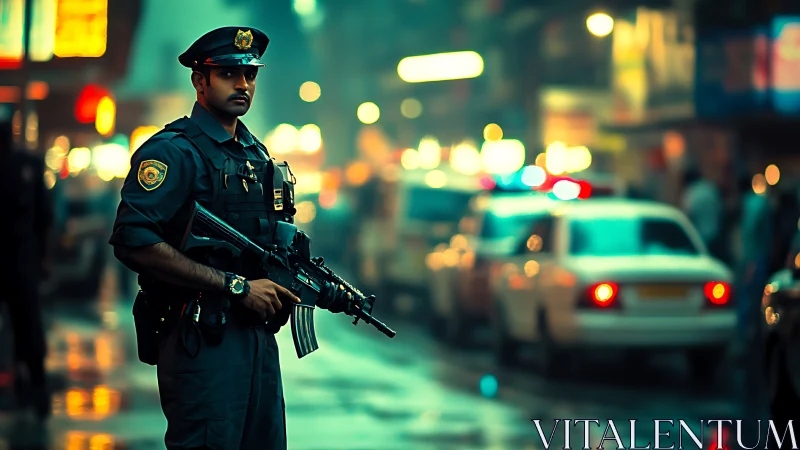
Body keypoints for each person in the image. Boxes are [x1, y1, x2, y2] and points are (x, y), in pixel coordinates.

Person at [109, 27, 348, 450]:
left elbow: (271, 243)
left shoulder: (256, 155)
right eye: (227, 74)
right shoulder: (173, 152)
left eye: (251, 75)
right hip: (200, 337)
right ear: (200, 81)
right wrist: (235, 286)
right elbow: (133, 240)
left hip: (255, 339)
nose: (242, 84)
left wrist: (310, 282)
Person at [0, 117, 53, 420]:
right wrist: (43, 258)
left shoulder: (25, 167)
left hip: (20, 260)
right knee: (28, 328)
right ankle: (35, 388)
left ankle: (32, 387)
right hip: (22, 261)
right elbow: (44, 218)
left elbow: (43, 217)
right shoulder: (28, 167)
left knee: (28, 329)